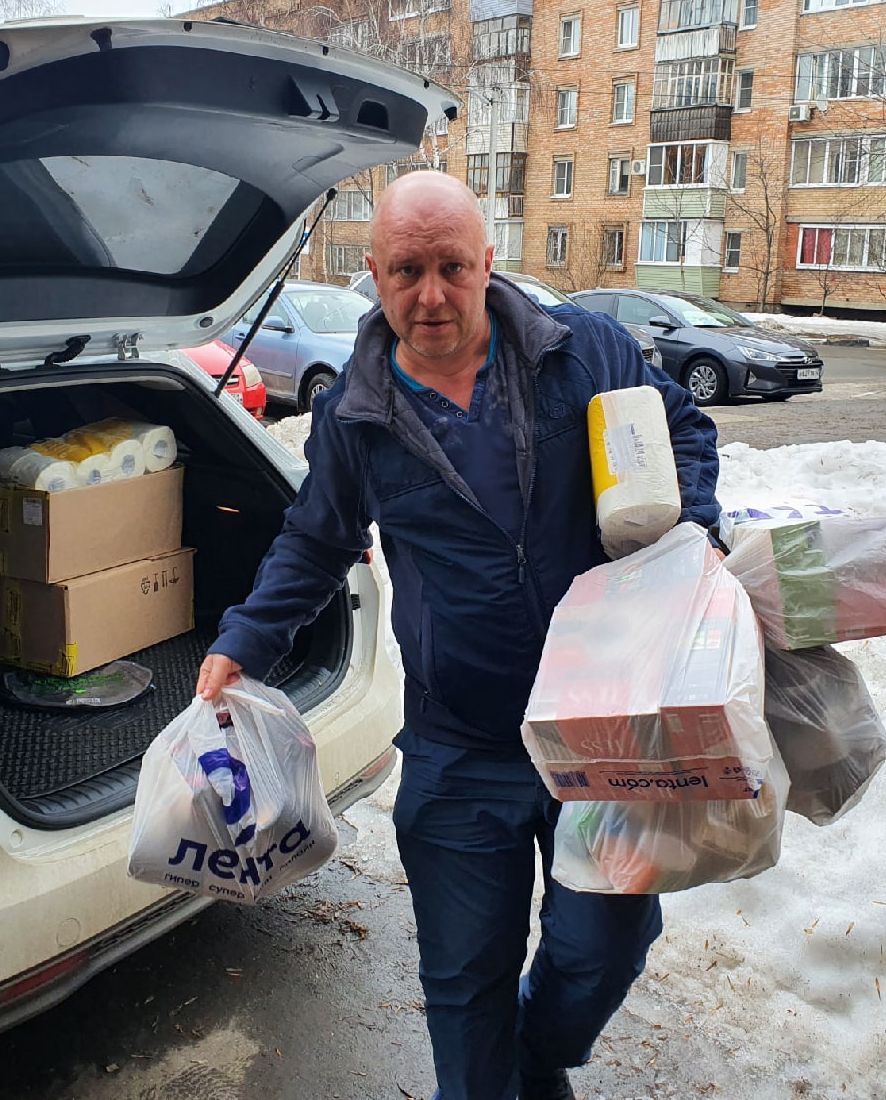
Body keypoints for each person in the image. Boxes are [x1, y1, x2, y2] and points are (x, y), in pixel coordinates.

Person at [197, 172, 720, 1100]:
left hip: (604, 727)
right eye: (407, 271)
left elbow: (682, 430)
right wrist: (245, 642)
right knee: (464, 983)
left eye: (451, 267)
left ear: (487, 261)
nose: (431, 295)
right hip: (461, 744)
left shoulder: (581, 352)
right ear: (375, 275)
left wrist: (693, 539)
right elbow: (316, 541)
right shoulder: (355, 416)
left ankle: (537, 1059)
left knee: (603, 949)